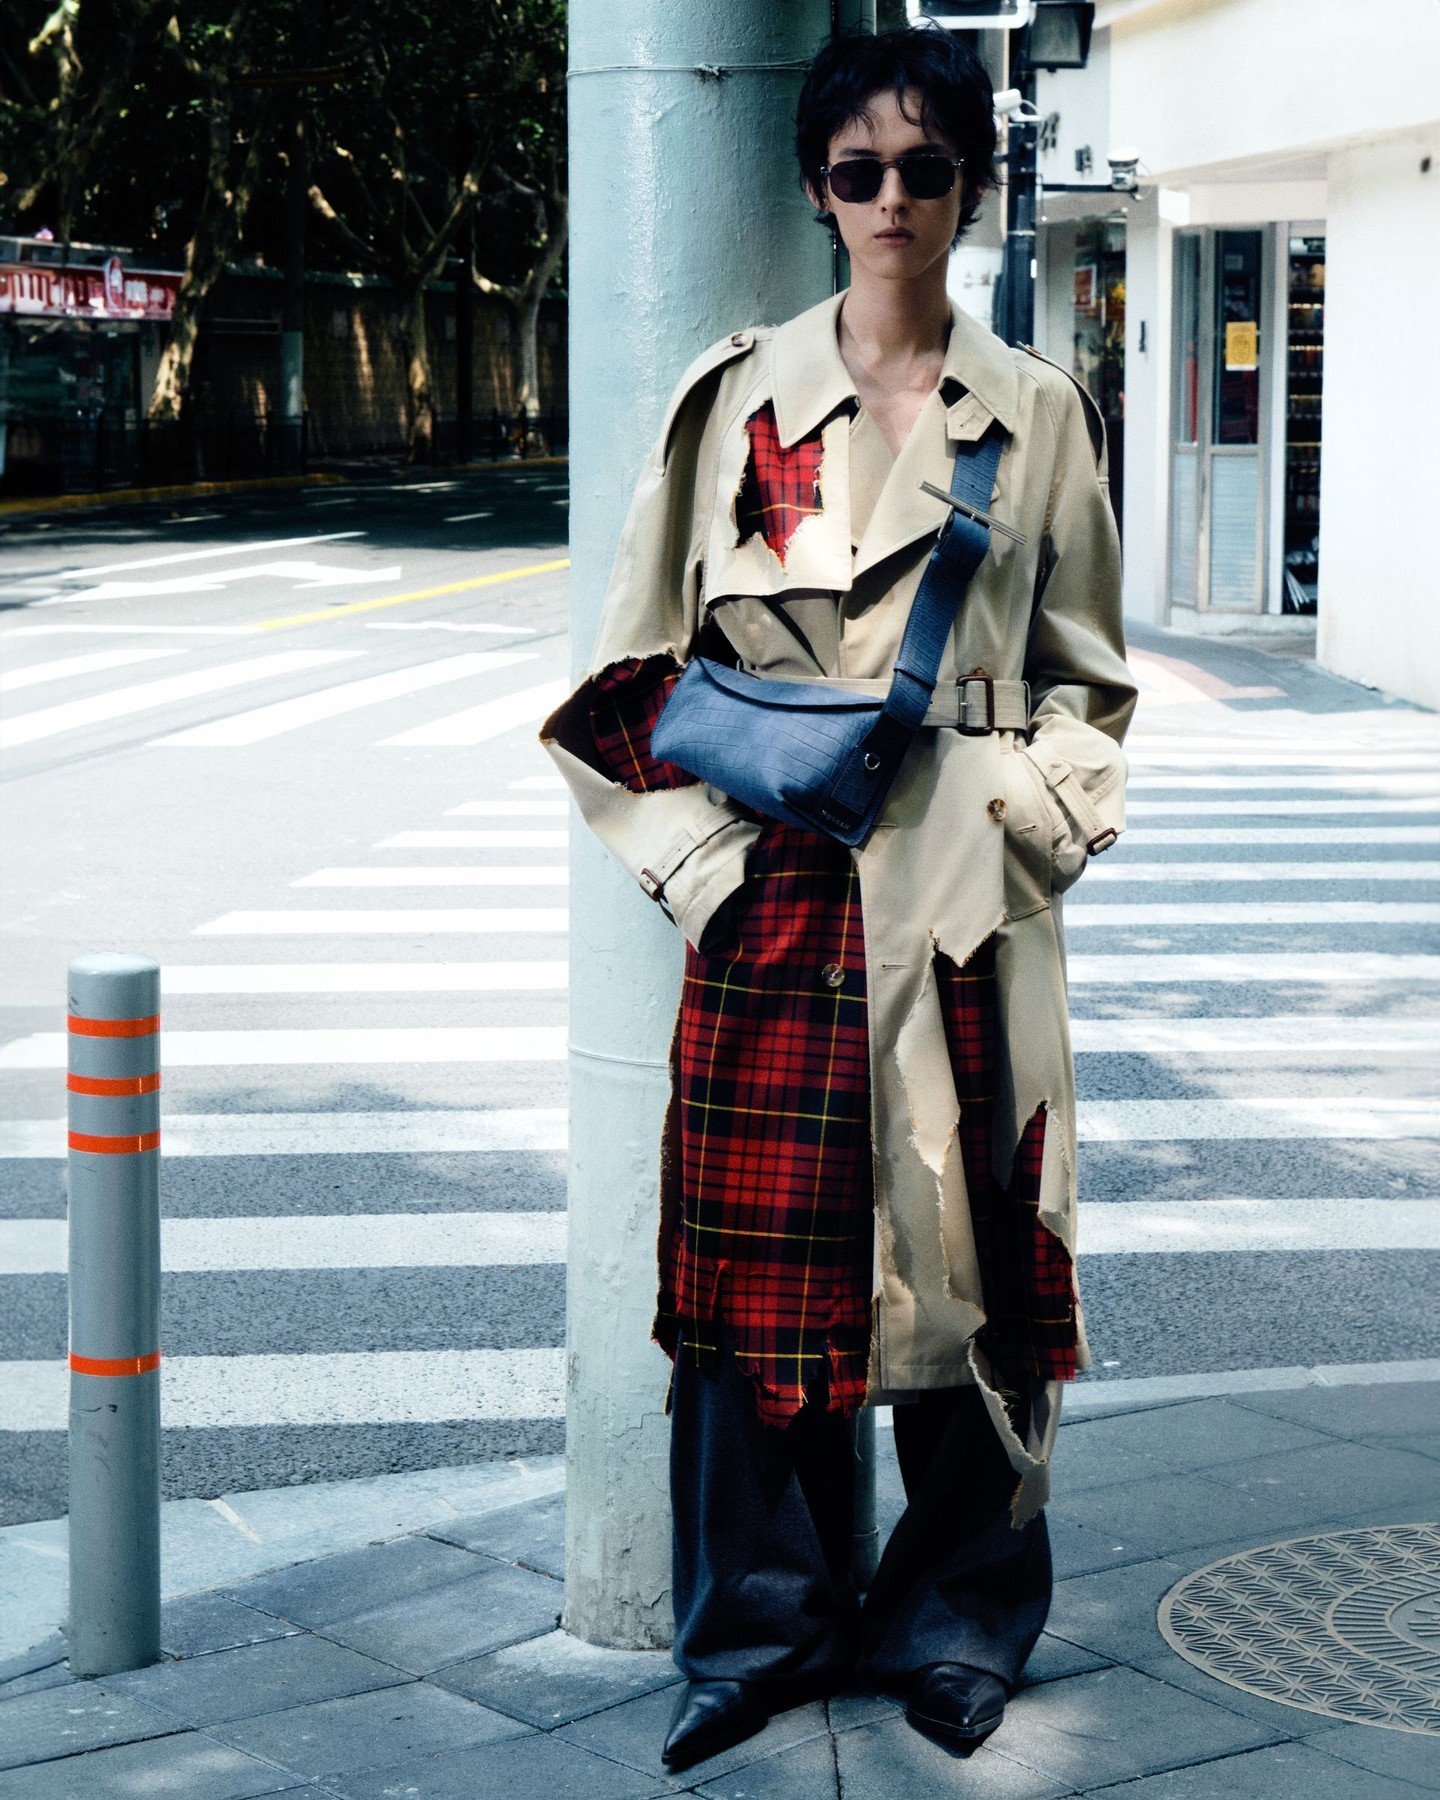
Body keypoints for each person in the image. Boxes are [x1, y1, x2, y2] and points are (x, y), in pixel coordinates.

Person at [540, 22, 1137, 1772]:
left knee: (978, 1274)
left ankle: (961, 1620)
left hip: (969, 906)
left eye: (925, 167)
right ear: (817, 190)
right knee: (750, 1295)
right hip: (775, 908)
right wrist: (708, 879)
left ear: (971, 184)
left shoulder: (1036, 416)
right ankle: (757, 1630)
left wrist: (1014, 832)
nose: (892, 199)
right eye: (858, 170)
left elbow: (1093, 685)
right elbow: (628, 684)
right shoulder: (730, 403)